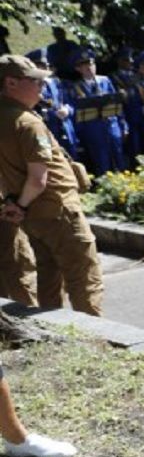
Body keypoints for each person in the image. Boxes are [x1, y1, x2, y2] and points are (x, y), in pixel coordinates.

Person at [0, 54, 105, 316]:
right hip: (58, 211)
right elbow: (38, 179)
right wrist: (21, 205)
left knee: (48, 280)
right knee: (85, 280)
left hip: (34, 217)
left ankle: (52, 334)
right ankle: (94, 337)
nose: (41, 86)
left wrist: (17, 204)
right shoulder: (27, 123)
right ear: (11, 83)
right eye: (34, 81)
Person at [68, 49, 127, 176]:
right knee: (102, 163)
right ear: (78, 69)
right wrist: (80, 135)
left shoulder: (105, 81)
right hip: (93, 131)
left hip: (112, 127)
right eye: (85, 65)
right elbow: (76, 112)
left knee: (119, 159)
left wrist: (123, 125)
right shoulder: (76, 87)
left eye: (91, 64)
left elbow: (117, 104)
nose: (89, 68)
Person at [24, 50, 76, 160]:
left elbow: (70, 102)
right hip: (48, 130)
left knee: (73, 158)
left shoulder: (56, 82)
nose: (45, 69)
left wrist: (67, 110)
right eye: (41, 66)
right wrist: (53, 114)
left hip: (66, 128)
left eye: (47, 65)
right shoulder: (29, 87)